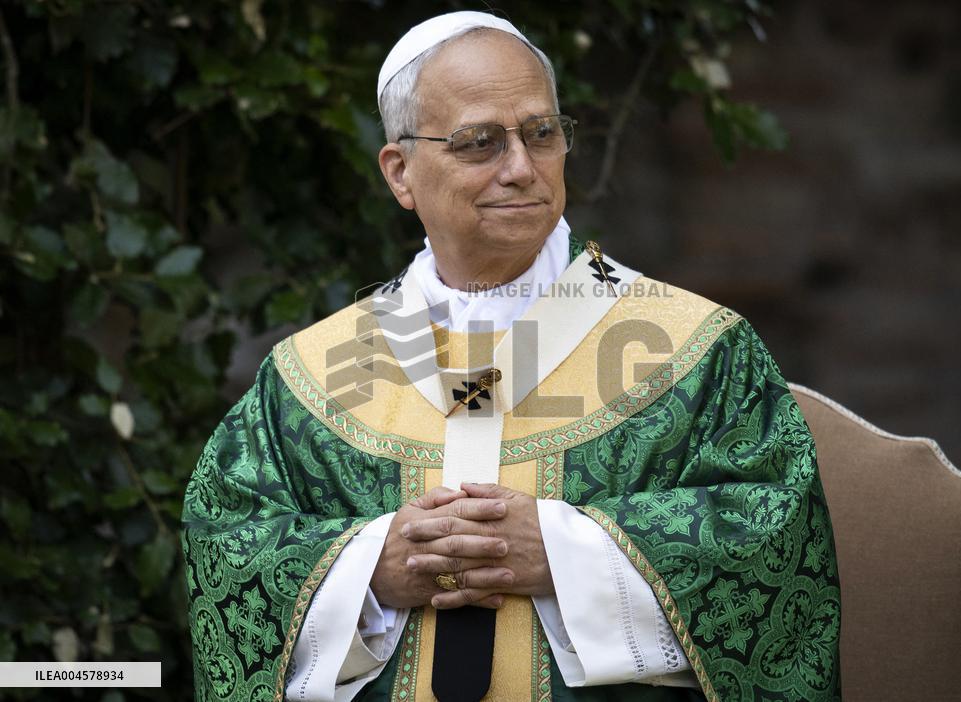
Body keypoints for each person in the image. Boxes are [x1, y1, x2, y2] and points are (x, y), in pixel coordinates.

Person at [182, 11, 841, 702]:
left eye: (542, 133)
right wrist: (370, 570)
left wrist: (563, 554)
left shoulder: (698, 350)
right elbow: (227, 550)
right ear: (401, 173)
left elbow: (776, 548)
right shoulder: (308, 377)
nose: (521, 168)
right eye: (479, 143)